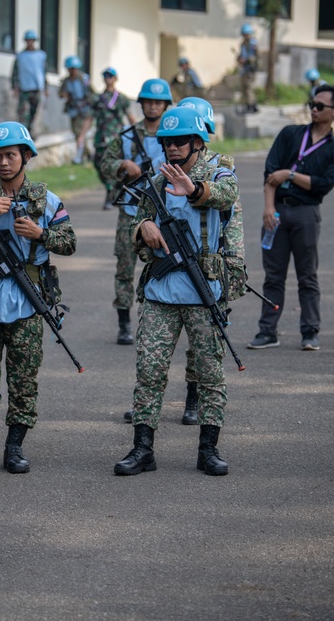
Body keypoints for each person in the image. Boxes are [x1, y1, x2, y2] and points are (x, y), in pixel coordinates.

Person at [113, 106, 238, 478]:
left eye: (179, 141)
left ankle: (209, 449)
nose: (171, 148)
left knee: (210, 373)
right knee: (149, 372)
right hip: (160, 293)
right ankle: (142, 449)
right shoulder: (155, 179)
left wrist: (194, 189)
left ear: (198, 142)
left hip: (203, 292)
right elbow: (135, 224)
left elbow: (226, 195)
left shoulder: (218, 171)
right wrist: (145, 227)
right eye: (166, 142)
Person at [0, 121, 77, 476]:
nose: (3, 162)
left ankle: (15, 447)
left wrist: (41, 233)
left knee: (23, 379)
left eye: (11, 155)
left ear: (26, 156)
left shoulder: (48, 200)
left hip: (28, 304)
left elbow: (70, 243)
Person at [248, 84, 334, 351]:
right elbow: (270, 172)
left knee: (307, 275)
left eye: (320, 106)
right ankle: (267, 331)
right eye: (311, 104)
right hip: (278, 209)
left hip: (306, 214)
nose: (313, 110)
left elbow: (323, 185)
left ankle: (310, 331)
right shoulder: (291, 134)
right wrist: (269, 208)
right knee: (273, 275)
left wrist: (290, 175)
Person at [174, 97, 245, 427]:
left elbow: (230, 221)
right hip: (182, 259)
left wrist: (230, 265)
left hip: (215, 260)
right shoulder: (175, 165)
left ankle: (195, 396)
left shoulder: (220, 166)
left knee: (205, 338)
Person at [100, 77, 173, 346]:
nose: (153, 107)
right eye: (148, 102)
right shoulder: (128, 135)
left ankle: (159, 321)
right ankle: (124, 324)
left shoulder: (173, 135)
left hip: (164, 212)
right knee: (124, 266)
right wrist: (122, 164)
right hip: (131, 211)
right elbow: (105, 163)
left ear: (165, 105)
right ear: (141, 104)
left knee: (165, 266)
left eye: (158, 102)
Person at [91, 67, 136, 210]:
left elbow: (129, 116)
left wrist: (137, 132)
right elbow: (89, 117)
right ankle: (112, 187)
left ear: (115, 78)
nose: (108, 78)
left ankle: (111, 192)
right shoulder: (97, 98)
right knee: (98, 164)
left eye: (110, 76)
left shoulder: (121, 98)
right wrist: (80, 137)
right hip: (101, 137)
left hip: (116, 138)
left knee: (115, 163)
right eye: (105, 76)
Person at [11, 30, 48, 138]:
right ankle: (23, 132)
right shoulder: (20, 56)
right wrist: (15, 87)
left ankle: (30, 131)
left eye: (32, 40)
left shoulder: (41, 55)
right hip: (24, 87)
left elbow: (44, 72)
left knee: (33, 110)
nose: (30, 42)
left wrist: (45, 87)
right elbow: (15, 72)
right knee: (22, 112)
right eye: (28, 40)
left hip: (36, 88)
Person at [59, 55, 93, 165]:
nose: (72, 71)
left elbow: (92, 93)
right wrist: (64, 95)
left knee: (80, 133)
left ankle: (80, 157)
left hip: (84, 109)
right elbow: (61, 93)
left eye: (74, 68)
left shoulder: (84, 79)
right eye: (70, 68)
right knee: (76, 133)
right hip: (73, 110)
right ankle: (88, 153)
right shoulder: (66, 81)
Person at [237, 24, 259, 114]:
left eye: (246, 34)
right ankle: (249, 105)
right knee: (244, 88)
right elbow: (241, 54)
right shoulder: (243, 44)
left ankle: (252, 106)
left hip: (251, 69)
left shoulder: (253, 43)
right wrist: (239, 59)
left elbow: (256, 57)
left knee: (249, 88)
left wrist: (246, 60)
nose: (245, 36)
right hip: (244, 69)